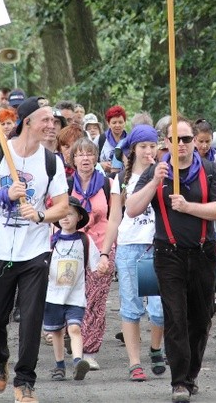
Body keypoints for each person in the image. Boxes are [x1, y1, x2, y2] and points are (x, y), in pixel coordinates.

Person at [0, 96, 69, 403]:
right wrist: (3, 195)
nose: (52, 125)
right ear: (27, 122)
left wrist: (40, 215)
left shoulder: (52, 161)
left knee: (31, 318)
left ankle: (25, 382)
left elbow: (63, 205)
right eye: (46, 120)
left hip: (35, 252)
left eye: (54, 121)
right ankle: (0, 359)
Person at [127, 116, 216, 402]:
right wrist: (155, 182)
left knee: (200, 319)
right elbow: (132, 210)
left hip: (203, 253)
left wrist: (189, 207)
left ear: (194, 142)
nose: (182, 144)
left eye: (187, 139)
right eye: (176, 139)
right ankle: (179, 382)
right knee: (175, 318)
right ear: (167, 143)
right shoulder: (155, 172)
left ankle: (191, 375)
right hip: (167, 255)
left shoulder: (210, 171)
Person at [98, 124, 165, 382]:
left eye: (152, 146)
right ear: (133, 149)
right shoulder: (121, 180)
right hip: (128, 248)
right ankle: (134, 362)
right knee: (131, 307)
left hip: (158, 246)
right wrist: (105, 253)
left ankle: (156, 348)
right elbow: (114, 218)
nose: (148, 151)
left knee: (160, 309)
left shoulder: (163, 174)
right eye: (143, 146)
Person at [67, 137, 123, 370]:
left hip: (101, 246)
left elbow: (114, 217)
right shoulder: (65, 183)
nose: (85, 159)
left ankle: (89, 350)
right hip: (72, 247)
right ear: (73, 160)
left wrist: (107, 252)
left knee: (96, 300)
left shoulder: (108, 183)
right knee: (72, 297)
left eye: (89, 154)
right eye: (80, 154)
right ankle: (74, 339)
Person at [45, 196, 100, 382]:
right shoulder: (52, 241)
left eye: (71, 214)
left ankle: (78, 362)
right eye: (63, 214)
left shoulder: (85, 240)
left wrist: (102, 267)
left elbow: (96, 264)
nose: (66, 218)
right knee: (57, 332)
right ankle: (59, 365)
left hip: (76, 296)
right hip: (53, 296)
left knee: (75, 328)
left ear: (79, 218)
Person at [99, 105, 127, 173]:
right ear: (108, 124)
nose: (117, 125)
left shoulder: (129, 141)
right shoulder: (101, 139)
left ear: (125, 123)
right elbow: (91, 161)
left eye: (120, 122)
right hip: (104, 181)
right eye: (114, 122)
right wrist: (101, 165)